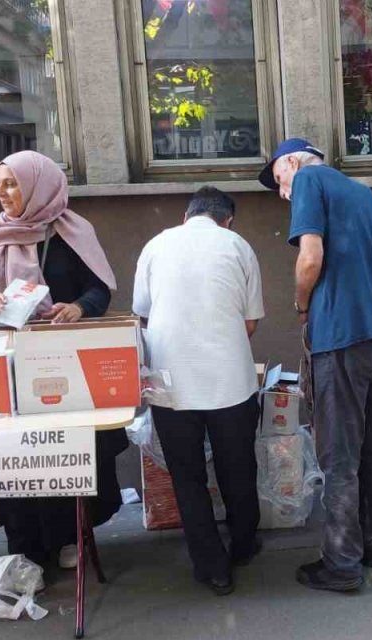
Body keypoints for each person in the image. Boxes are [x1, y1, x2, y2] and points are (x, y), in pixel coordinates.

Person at [0, 150, 128, 569]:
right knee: (18, 453)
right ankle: (26, 548)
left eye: (11, 183)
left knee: (64, 450)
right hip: (13, 366)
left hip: (65, 364)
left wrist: (78, 308)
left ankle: (73, 534)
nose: (1, 193)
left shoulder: (73, 231)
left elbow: (99, 290)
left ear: (38, 184)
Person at [260, 138, 372, 592]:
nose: (283, 192)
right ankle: (371, 544)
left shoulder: (308, 178)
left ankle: (341, 564)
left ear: (292, 162)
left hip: (342, 336)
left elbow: (311, 257)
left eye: (278, 180)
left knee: (339, 452)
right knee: (371, 447)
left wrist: (301, 304)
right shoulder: (361, 193)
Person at [132, 187, 265, 595]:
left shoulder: (154, 245)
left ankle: (212, 568)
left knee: (187, 476)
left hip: (169, 383)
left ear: (186, 215)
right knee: (237, 465)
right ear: (228, 219)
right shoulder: (238, 245)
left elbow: (142, 314)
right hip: (231, 381)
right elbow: (250, 323)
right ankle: (243, 545)